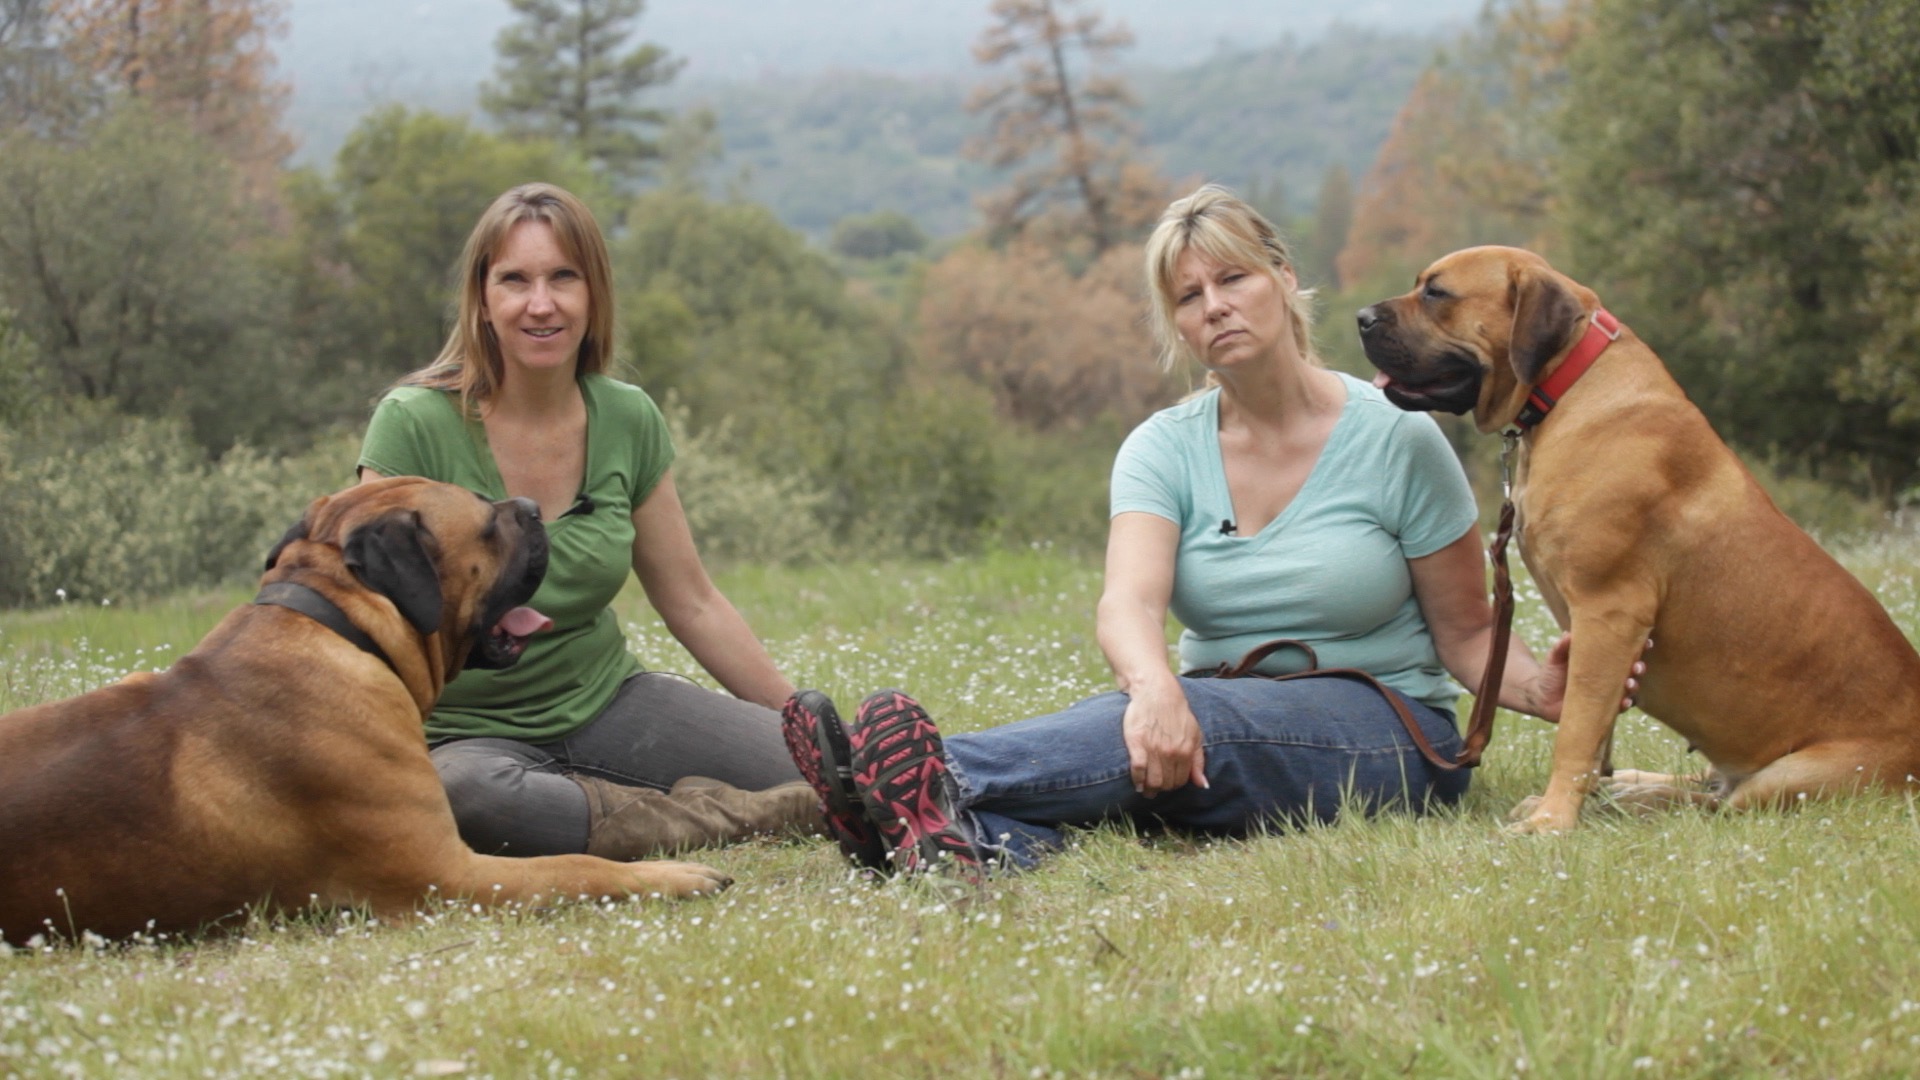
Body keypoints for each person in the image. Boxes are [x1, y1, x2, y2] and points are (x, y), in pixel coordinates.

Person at [782, 184, 1636, 876]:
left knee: (1202, 718)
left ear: (1281, 275)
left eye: (1233, 280)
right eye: (1189, 296)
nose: (1215, 307)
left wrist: (1542, 691)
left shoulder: (1398, 435)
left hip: (1387, 733)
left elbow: (1467, 631)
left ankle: (897, 778)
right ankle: (942, 837)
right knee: (1148, 723)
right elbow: (1128, 601)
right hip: (1202, 715)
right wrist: (1152, 689)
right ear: (1177, 325)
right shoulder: (1161, 448)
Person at [357, 182, 820, 862]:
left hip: (611, 707)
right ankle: (709, 822)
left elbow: (693, 601)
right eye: (515, 280)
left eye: (562, 278)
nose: (540, 303)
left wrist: (804, 726)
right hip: (464, 736)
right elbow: (365, 608)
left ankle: (611, 804)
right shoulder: (413, 424)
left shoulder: (628, 417)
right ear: (483, 300)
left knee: (839, 769)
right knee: (468, 798)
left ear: (593, 294)